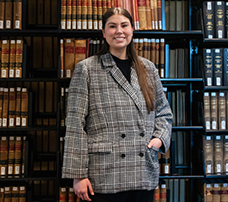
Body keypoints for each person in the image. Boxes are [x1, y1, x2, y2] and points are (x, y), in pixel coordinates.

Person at [62, 7, 173, 202]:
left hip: (143, 169)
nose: (119, 31)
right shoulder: (87, 69)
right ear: (104, 33)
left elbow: (164, 113)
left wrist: (159, 140)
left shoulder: (148, 68)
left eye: (124, 25)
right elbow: (75, 125)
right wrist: (78, 175)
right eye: (112, 26)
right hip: (104, 173)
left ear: (132, 30)